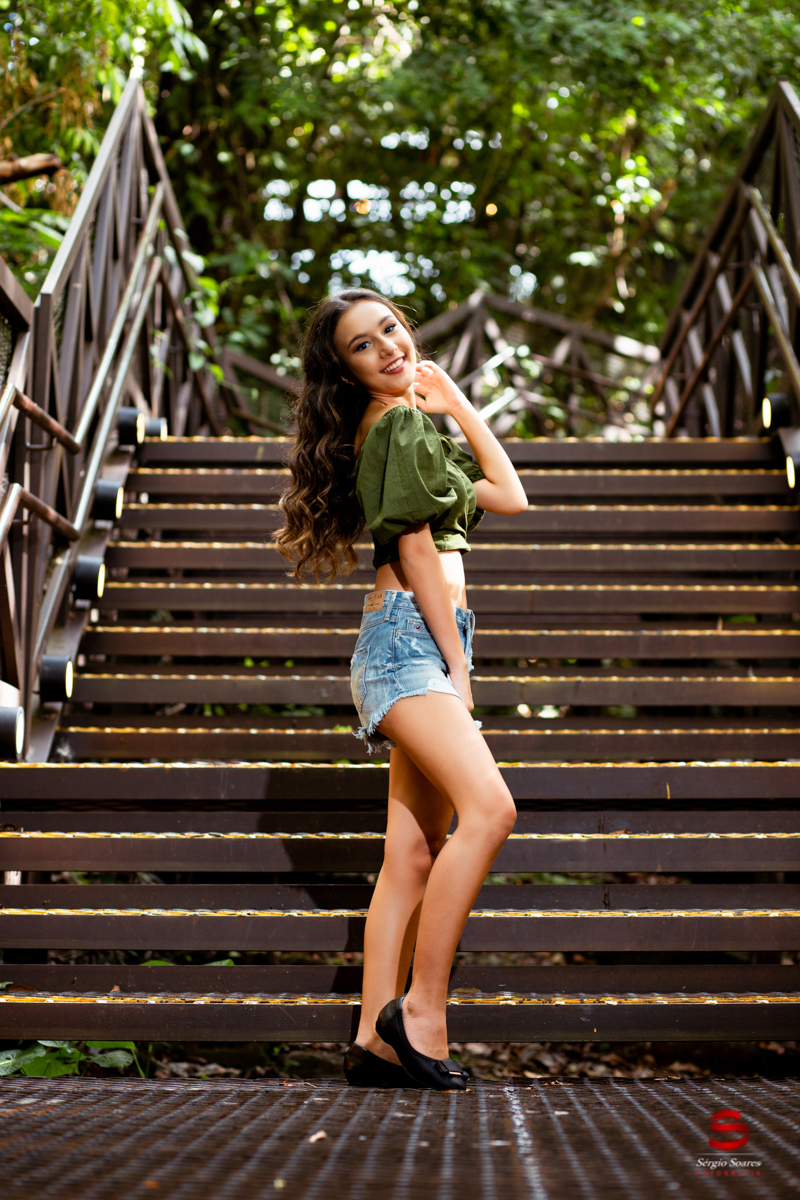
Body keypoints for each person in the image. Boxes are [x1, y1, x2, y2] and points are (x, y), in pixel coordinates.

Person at [274, 288, 527, 1089]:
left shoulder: (409, 425)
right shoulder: (395, 425)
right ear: (344, 371)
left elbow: (510, 495)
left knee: (412, 854)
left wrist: (455, 402)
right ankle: (420, 1013)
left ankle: (373, 1042)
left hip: (406, 640)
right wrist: (458, 665)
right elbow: (416, 550)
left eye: (390, 328)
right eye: (362, 344)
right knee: (491, 810)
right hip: (413, 641)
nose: (386, 346)